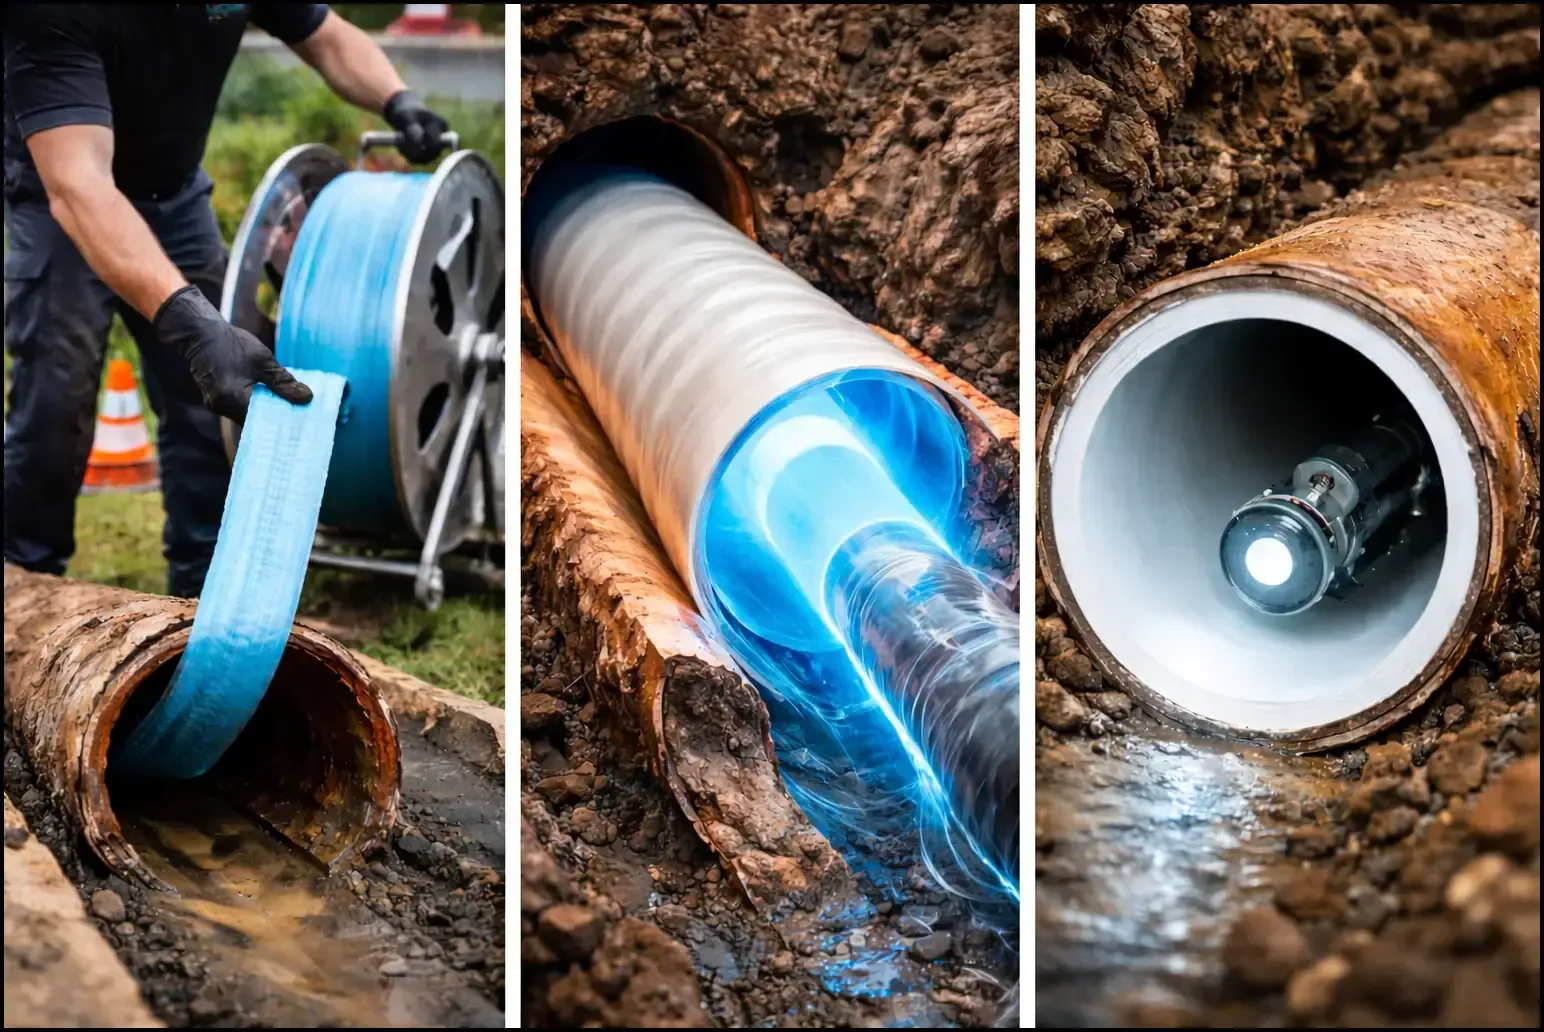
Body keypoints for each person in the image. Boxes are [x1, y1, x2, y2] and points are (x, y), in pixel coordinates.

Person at [2, 3, 451, 597]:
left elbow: (326, 36)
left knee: (214, 398)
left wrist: (398, 100)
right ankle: (25, 590)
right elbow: (81, 187)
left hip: (176, 194)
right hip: (63, 202)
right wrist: (192, 322)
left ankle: (207, 596)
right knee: (55, 400)